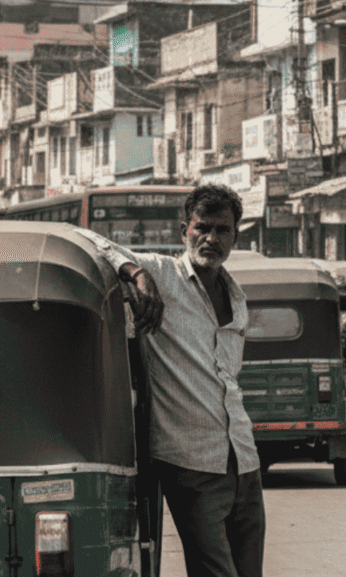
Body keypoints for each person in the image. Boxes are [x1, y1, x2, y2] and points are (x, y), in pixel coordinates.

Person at [78, 184, 265, 577]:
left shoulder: (237, 296)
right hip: (190, 461)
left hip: (243, 459)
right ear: (185, 230)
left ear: (236, 236)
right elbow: (87, 239)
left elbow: (227, 379)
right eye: (202, 228)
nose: (211, 238)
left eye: (222, 230)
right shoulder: (164, 274)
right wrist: (138, 274)